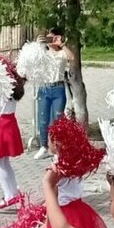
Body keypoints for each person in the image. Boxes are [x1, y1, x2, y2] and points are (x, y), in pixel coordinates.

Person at [35, 28, 72, 160]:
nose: (51, 40)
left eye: (54, 37)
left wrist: (62, 45)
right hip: (44, 87)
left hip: (58, 87)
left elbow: (71, 57)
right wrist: (38, 44)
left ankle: (57, 149)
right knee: (43, 118)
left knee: (57, 119)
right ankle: (43, 146)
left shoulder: (62, 53)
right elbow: (33, 59)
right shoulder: (43, 53)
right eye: (49, 37)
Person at [0, 77, 26, 209]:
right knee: (4, 161)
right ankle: (14, 193)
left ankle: (9, 195)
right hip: (10, 121)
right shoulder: (13, 83)